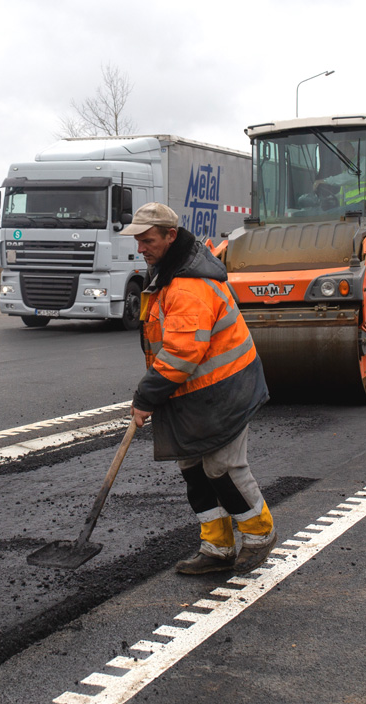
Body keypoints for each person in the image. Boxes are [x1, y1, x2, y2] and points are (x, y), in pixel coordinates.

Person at [123, 202, 277, 574]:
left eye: (148, 240)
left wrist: (146, 397)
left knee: (222, 467)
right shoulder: (165, 273)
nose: (141, 248)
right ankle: (217, 547)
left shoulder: (188, 284)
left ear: (171, 236)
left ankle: (259, 534)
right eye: (138, 241)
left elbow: (182, 352)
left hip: (224, 390)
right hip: (194, 391)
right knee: (193, 467)